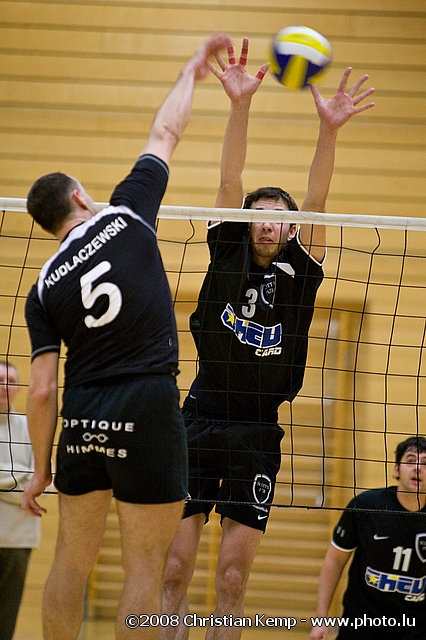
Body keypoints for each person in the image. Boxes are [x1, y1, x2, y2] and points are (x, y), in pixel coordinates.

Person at [161, 39, 376, 639]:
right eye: (258, 213)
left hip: (258, 429)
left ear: (289, 227)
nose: (267, 221)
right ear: (246, 221)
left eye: (278, 215)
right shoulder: (226, 251)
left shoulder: (301, 271)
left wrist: (329, 130)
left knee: (231, 580)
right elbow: (229, 178)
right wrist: (240, 105)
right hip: (199, 415)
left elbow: (318, 200)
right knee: (174, 569)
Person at [21, 32, 231, 640]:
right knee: (144, 569)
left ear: (47, 226)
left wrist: (40, 469)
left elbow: (41, 390)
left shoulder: (43, 286)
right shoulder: (125, 212)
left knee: (70, 562)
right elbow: (165, 133)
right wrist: (191, 69)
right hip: (148, 404)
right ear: (80, 197)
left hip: (85, 413)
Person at [310, 436, 426, 640]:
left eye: (425, 463)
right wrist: (321, 619)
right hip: (361, 625)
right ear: (396, 469)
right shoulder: (366, 506)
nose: (417, 468)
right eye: (410, 461)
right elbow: (335, 560)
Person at [0, 360, 40, 640]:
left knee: (5, 622)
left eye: (11, 381)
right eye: (0, 380)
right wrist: (23, 481)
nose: (5, 386)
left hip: (18, 540)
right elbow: (29, 481)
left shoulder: (32, 427)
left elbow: (43, 479)